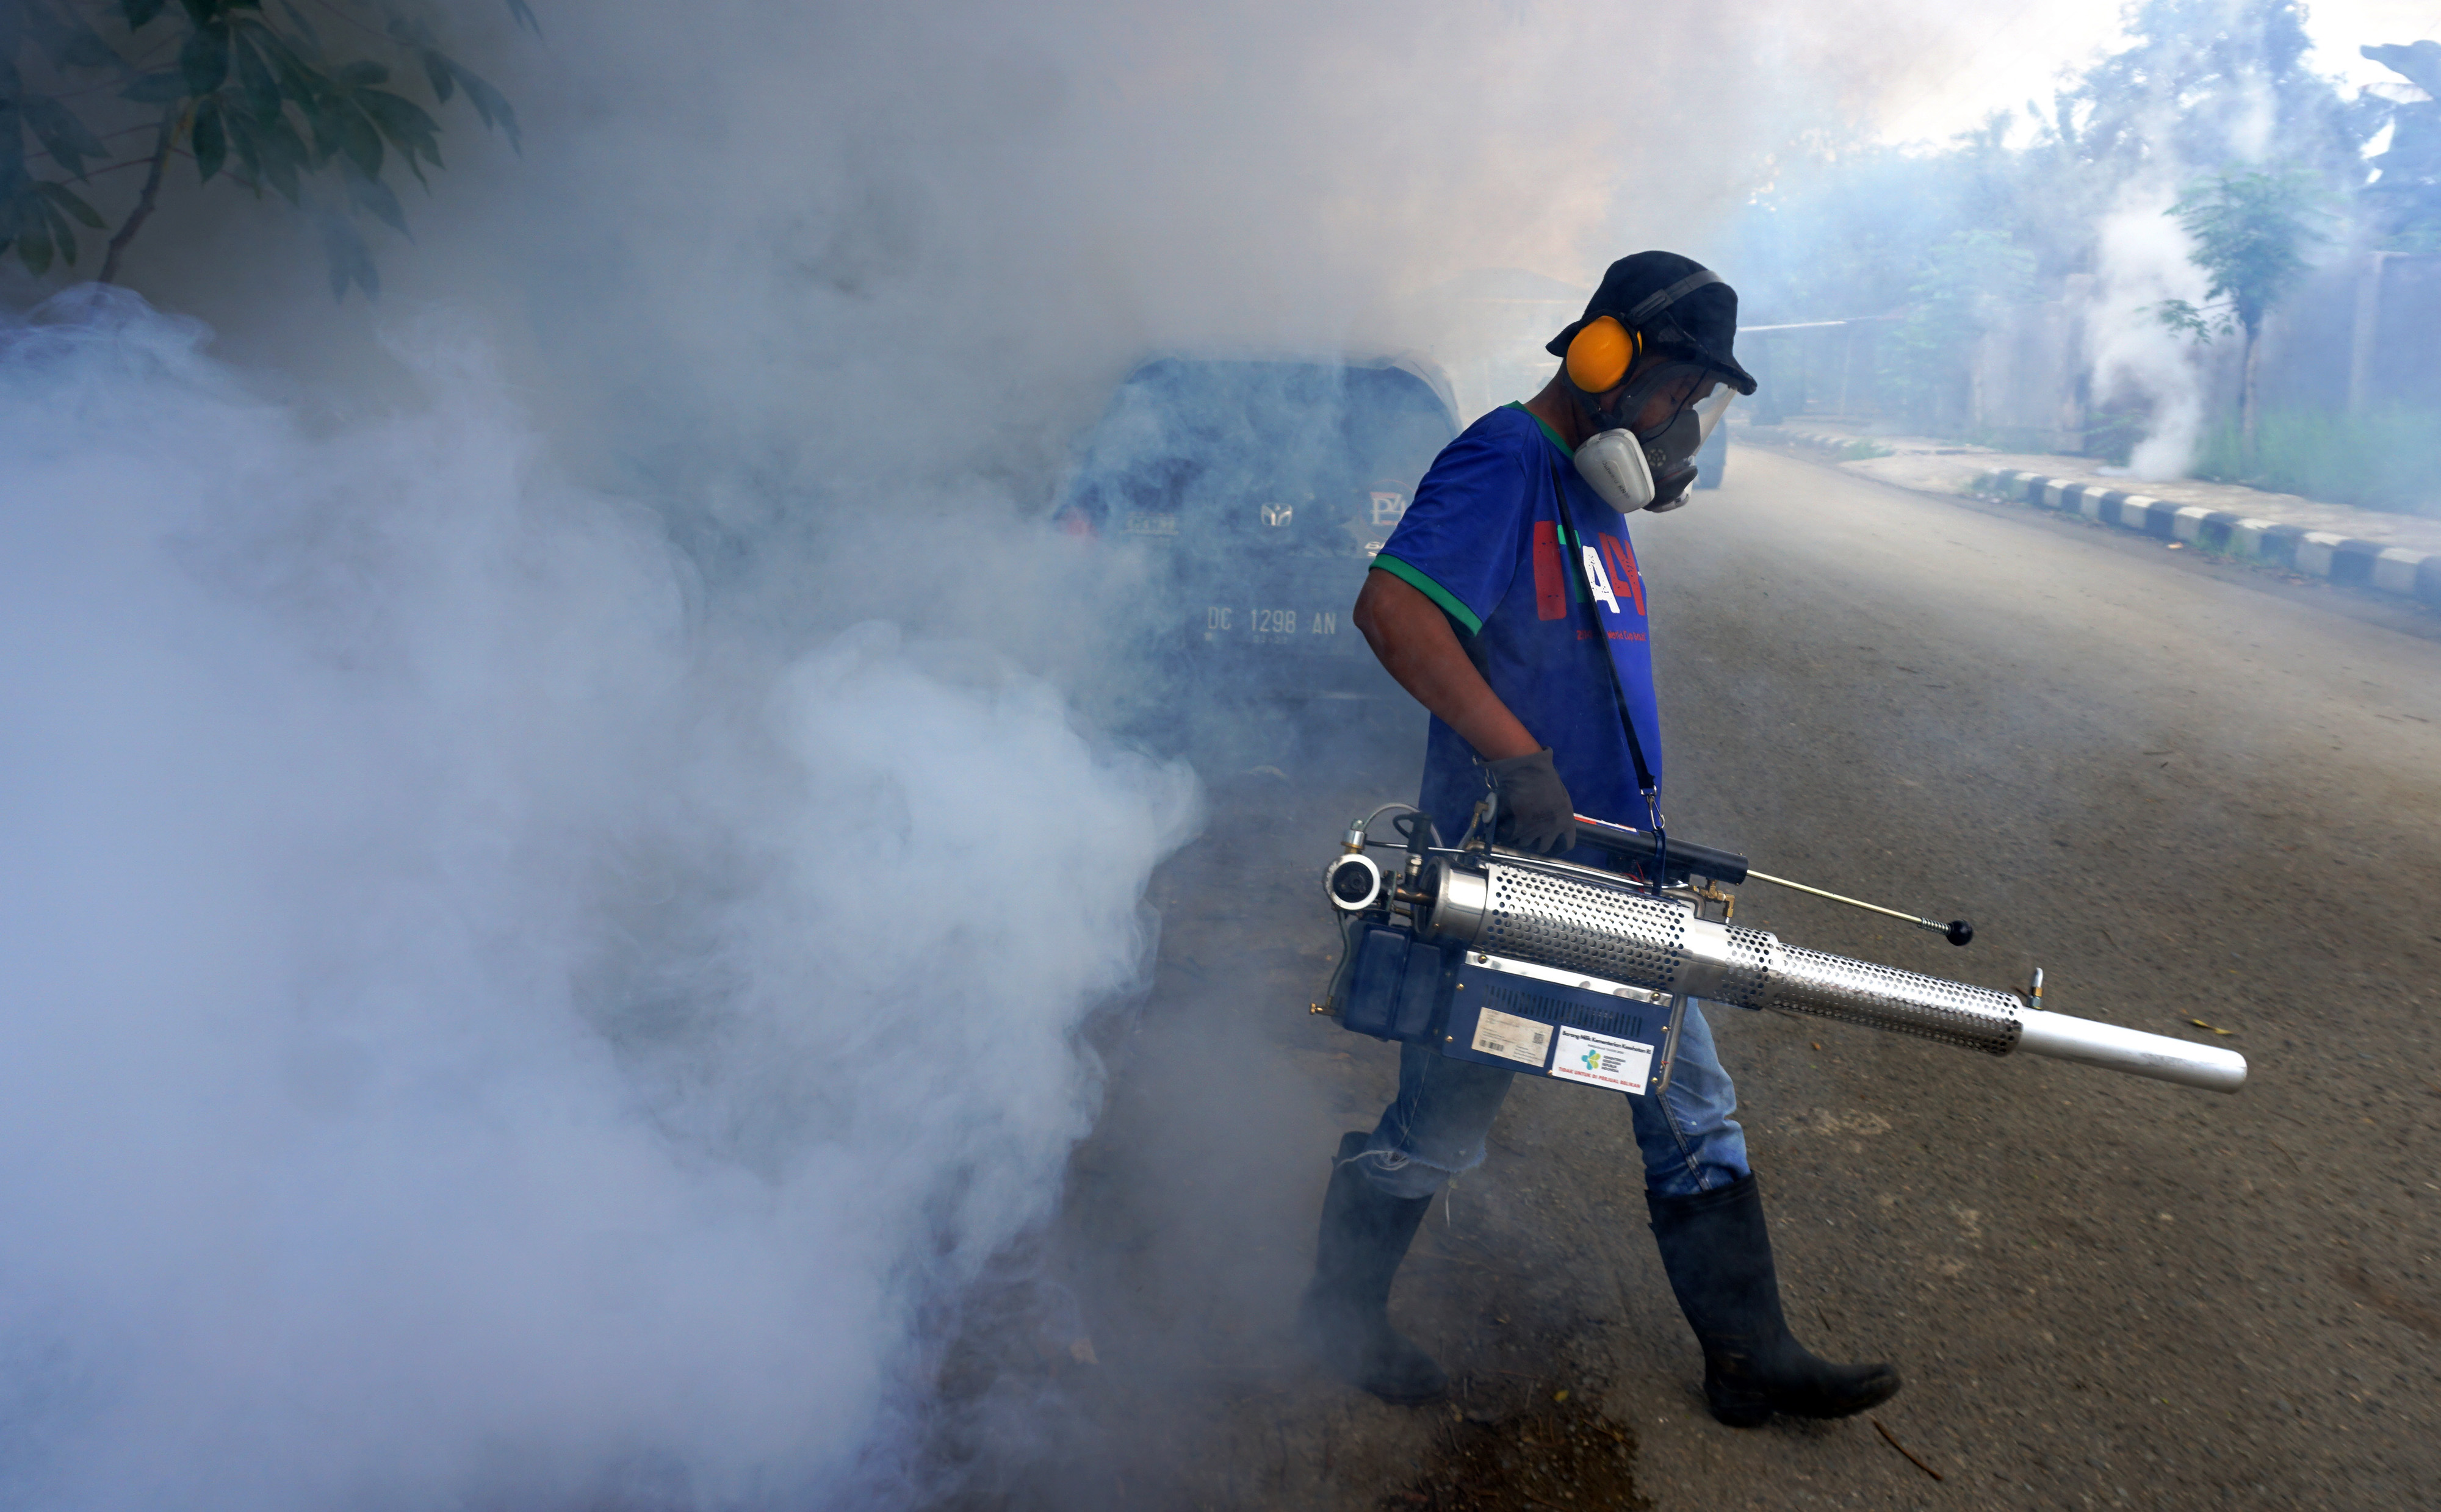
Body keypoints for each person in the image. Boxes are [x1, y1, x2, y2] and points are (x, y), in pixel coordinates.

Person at [1294, 251, 1902, 1428]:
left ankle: (1748, 1354)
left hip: (1610, 879)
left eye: (1697, 398)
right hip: (1507, 887)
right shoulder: (1505, 459)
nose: (1686, 419)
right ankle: (1336, 1312)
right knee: (1438, 1131)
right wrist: (1515, 756)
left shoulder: (1591, 492)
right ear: (1605, 357)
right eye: (1680, 386)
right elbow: (1394, 609)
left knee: (1692, 1103)